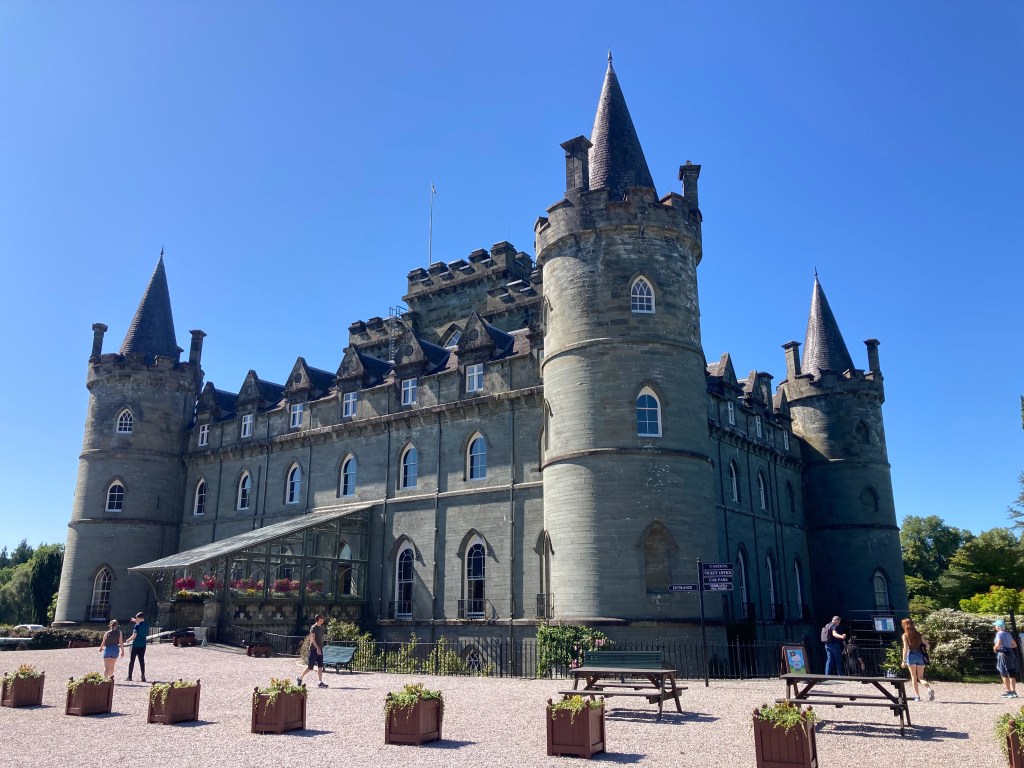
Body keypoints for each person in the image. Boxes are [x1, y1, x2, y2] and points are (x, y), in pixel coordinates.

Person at [900, 617, 934, 701]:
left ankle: (917, 696)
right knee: (921, 677)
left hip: (911, 656)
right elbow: (928, 646)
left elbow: (905, 648)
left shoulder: (905, 635)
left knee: (913, 677)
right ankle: (929, 688)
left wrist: (903, 661)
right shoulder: (918, 634)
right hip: (920, 656)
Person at [298, 615, 328, 689]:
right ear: (318, 620)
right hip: (314, 650)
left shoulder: (321, 628)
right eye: (321, 619)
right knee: (310, 667)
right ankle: (300, 678)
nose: (323, 620)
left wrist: (320, 649)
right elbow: (313, 640)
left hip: (320, 649)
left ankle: (320, 682)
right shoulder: (313, 628)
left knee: (320, 666)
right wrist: (317, 649)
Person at [994, 619, 1019, 698]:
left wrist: (995, 648)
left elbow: (998, 644)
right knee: (1011, 672)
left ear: (998, 627)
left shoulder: (999, 634)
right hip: (1011, 653)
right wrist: (1008, 647)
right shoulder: (1008, 634)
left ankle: (1009, 692)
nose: (995, 627)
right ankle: (1014, 692)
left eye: (996, 625)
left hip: (1003, 654)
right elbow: (1014, 645)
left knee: (1003, 672)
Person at [124, 612, 148, 682]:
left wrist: (128, 640)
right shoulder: (146, 624)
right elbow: (141, 623)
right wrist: (136, 621)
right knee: (141, 660)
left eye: (137, 618)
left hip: (135, 645)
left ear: (139, 618)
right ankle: (143, 675)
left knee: (132, 661)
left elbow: (134, 636)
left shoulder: (136, 626)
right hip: (143, 645)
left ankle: (129, 676)